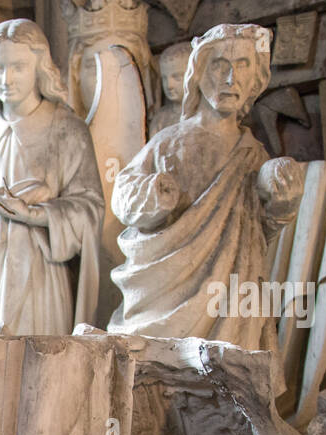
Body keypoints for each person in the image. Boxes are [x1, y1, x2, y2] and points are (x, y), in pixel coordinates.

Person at [107, 23, 303, 351]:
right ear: (198, 74)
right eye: (220, 65)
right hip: (170, 297)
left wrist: (284, 203)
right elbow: (123, 195)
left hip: (231, 301)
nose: (231, 78)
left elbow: (260, 233)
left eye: (242, 66)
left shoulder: (254, 155)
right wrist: (154, 195)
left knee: (224, 380)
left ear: (255, 80)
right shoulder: (170, 142)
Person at [0, 18, 103, 337]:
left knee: (33, 372)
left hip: (39, 277)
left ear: (39, 68)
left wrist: (36, 215)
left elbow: (91, 209)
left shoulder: (66, 130)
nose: (7, 79)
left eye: (18, 67)